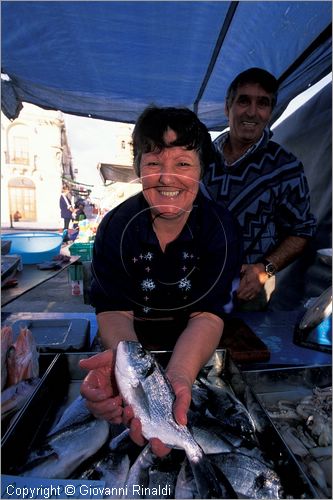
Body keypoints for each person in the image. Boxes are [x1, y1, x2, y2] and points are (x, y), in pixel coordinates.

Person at [80, 106, 242, 457]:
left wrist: (179, 376)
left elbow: (208, 315)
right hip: (131, 350)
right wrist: (127, 370)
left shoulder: (220, 229)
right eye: (154, 163)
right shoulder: (115, 228)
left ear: (202, 171)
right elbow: (114, 311)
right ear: (138, 169)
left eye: (183, 163)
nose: (167, 178)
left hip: (191, 354)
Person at [203, 67, 317, 311]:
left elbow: (302, 231)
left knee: (245, 347)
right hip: (194, 285)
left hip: (248, 293)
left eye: (262, 103)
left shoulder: (285, 167)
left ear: (270, 112)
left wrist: (264, 269)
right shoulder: (200, 158)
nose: (252, 112)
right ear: (227, 107)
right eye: (244, 101)